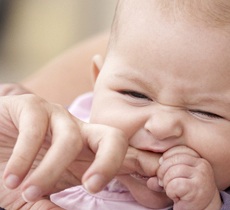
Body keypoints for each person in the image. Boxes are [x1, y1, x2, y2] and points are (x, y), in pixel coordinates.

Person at [2, 0, 230, 209]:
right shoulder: (63, 130)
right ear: (97, 81)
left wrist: (205, 204)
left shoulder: (210, 199)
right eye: (135, 94)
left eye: (205, 112)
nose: (161, 126)